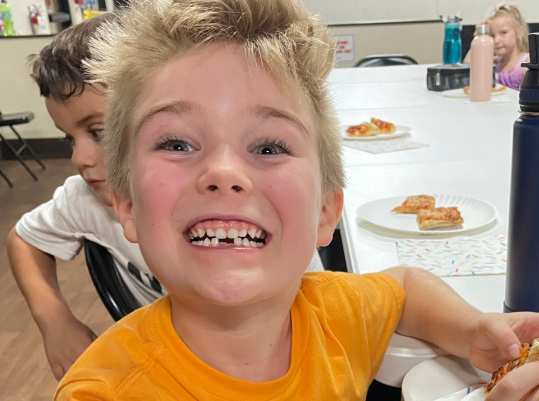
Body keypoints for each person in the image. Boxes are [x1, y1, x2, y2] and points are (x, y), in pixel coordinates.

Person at [54, 1, 539, 401]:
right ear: (125, 204)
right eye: (176, 143)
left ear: (325, 212)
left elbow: (405, 287)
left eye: (268, 146)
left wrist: (474, 329)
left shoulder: (327, 311)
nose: (222, 173)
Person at [6, 14, 323, 382]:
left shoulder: (254, 215)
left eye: (98, 132)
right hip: (172, 380)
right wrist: (53, 318)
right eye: (69, 139)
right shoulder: (87, 199)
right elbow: (23, 240)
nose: (79, 158)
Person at [487, 4, 530, 90]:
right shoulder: (495, 63)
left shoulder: (527, 63)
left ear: (519, 33)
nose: (496, 40)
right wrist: (479, 35)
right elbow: (467, 71)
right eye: (492, 35)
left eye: (503, 32)